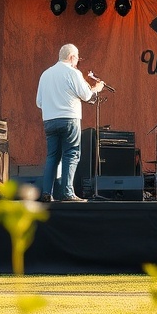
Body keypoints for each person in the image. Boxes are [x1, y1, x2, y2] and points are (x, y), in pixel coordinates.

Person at [36, 43, 103, 202]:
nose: (77, 62)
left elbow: (39, 102)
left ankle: (46, 192)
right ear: (72, 57)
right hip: (69, 119)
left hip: (49, 120)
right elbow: (86, 96)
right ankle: (67, 192)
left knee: (52, 156)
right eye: (77, 59)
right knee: (71, 154)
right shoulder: (73, 72)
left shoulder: (45, 74)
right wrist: (97, 88)